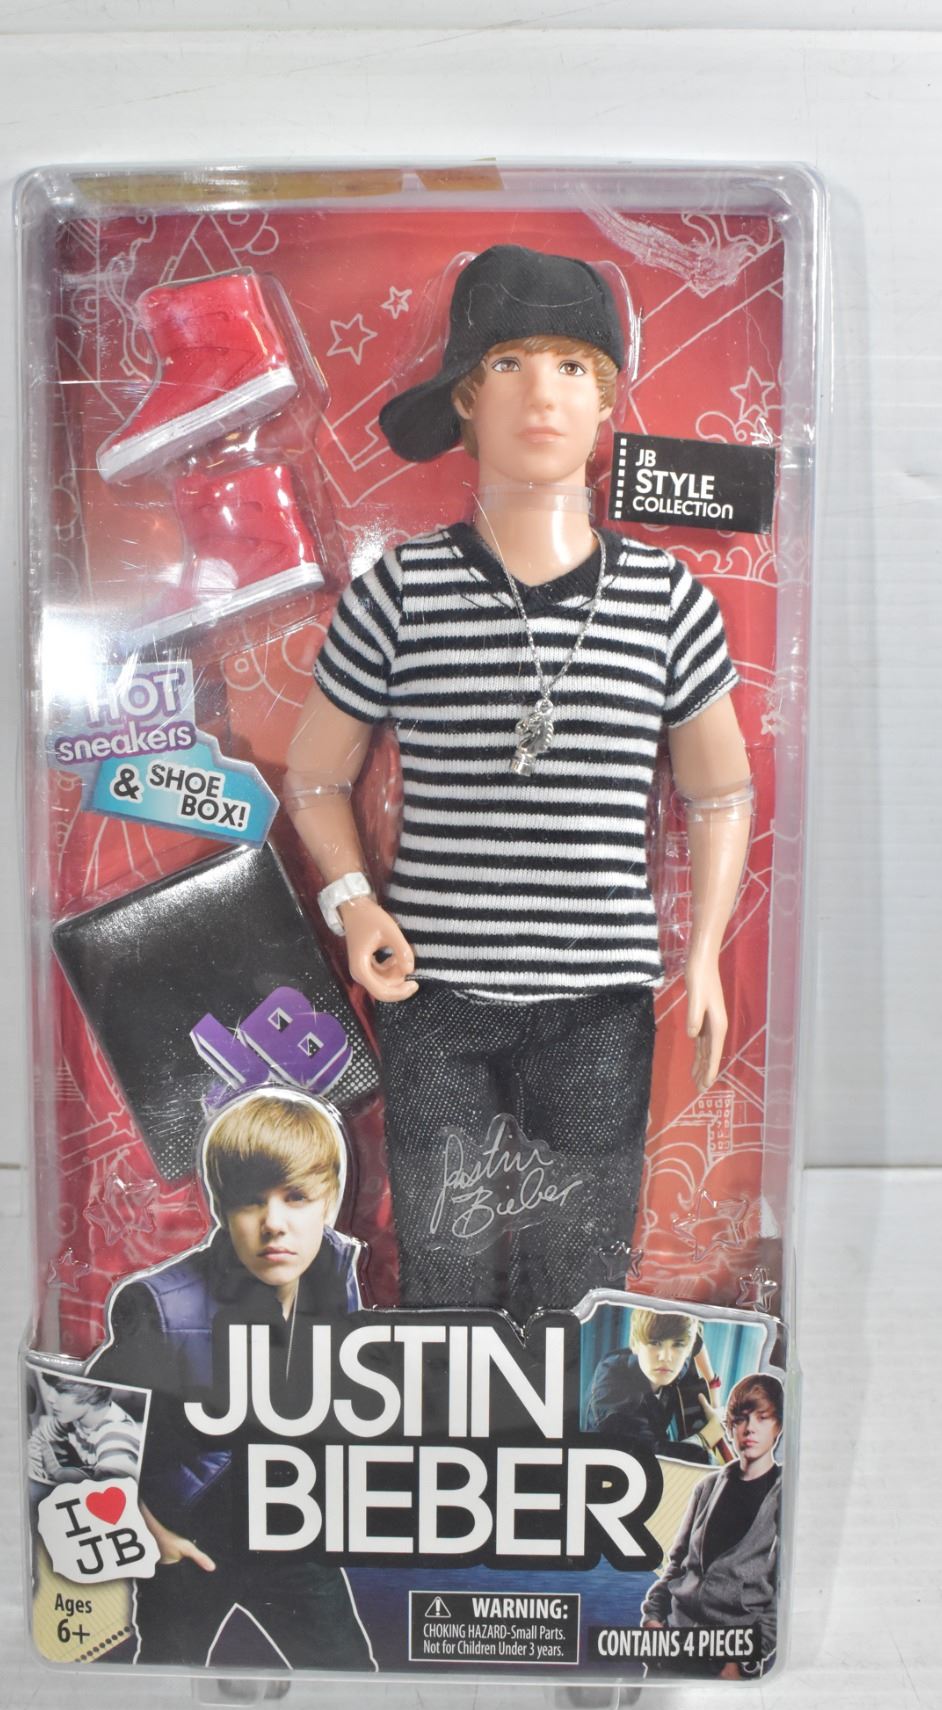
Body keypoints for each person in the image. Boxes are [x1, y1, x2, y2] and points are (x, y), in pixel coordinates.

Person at [286, 243, 753, 1319]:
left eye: (573, 366)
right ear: (464, 397)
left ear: (607, 400)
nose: (543, 393)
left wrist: (704, 956)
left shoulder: (664, 599)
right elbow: (313, 777)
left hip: (598, 997)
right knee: (444, 1271)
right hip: (433, 989)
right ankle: (447, 1419)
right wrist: (353, 904)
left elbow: (719, 794)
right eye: (507, 363)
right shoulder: (399, 592)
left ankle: (574, 1420)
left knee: (581, 1271)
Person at [88, 1088, 375, 1673]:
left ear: (330, 1200)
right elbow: (78, 1426)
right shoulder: (162, 1305)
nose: (274, 1224)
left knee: (351, 1678)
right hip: (191, 1544)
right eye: (250, 1201)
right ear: (221, 1207)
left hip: (292, 1537)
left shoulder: (336, 1274)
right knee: (166, 1682)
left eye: (296, 1197)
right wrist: (151, 1533)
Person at [641, 1372, 784, 1676]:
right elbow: (676, 1566)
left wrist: (743, 1658)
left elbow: (783, 1592)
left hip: (728, 1656)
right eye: (741, 1419)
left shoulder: (785, 1494)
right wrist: (653, 1618)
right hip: (673, 1643)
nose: (750, 1428)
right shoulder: (707, 1488)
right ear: (730, 1427)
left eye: (762, 1418)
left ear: (778, 1427)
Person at [584, 1308, 725, 1463]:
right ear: (634, 1343)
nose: (665, 1357)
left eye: (677, 1344)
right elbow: (654, 1459)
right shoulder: (615, 1399)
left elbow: (695, 1340)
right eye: (654, 1343)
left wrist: (713, 1386)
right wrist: (710, 1434)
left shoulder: (675, 1362)